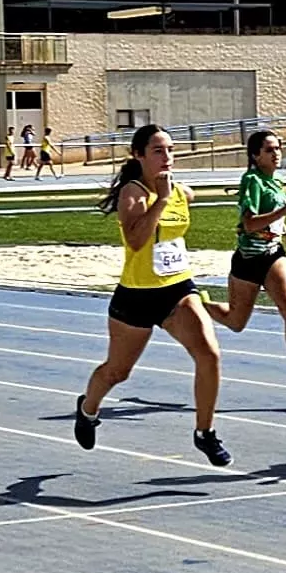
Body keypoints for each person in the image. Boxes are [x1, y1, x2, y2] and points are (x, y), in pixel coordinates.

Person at [73, 123, 232, 466]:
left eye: (170, 150)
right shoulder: (133, 193)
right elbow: (135, 241)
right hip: (137, 296)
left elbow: (190, 198)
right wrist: (160, 199)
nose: (167, 157)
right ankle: (87, 410)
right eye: (158, 151)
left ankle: (204, 433)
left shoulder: (180, 190)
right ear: (138, 155)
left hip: (177, 289)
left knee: (209, 355)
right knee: (117, 372)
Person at [206, 130, 286, 390]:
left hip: (272, 254)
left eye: (278, 148)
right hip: (249, 259)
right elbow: (248, 224)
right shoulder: (252, 181)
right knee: (236, 322)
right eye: (269, 149)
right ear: (255, 155)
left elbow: (272, 218)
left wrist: (285, 229)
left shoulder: (276, 180)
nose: (276, 153)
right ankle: (200, 305)